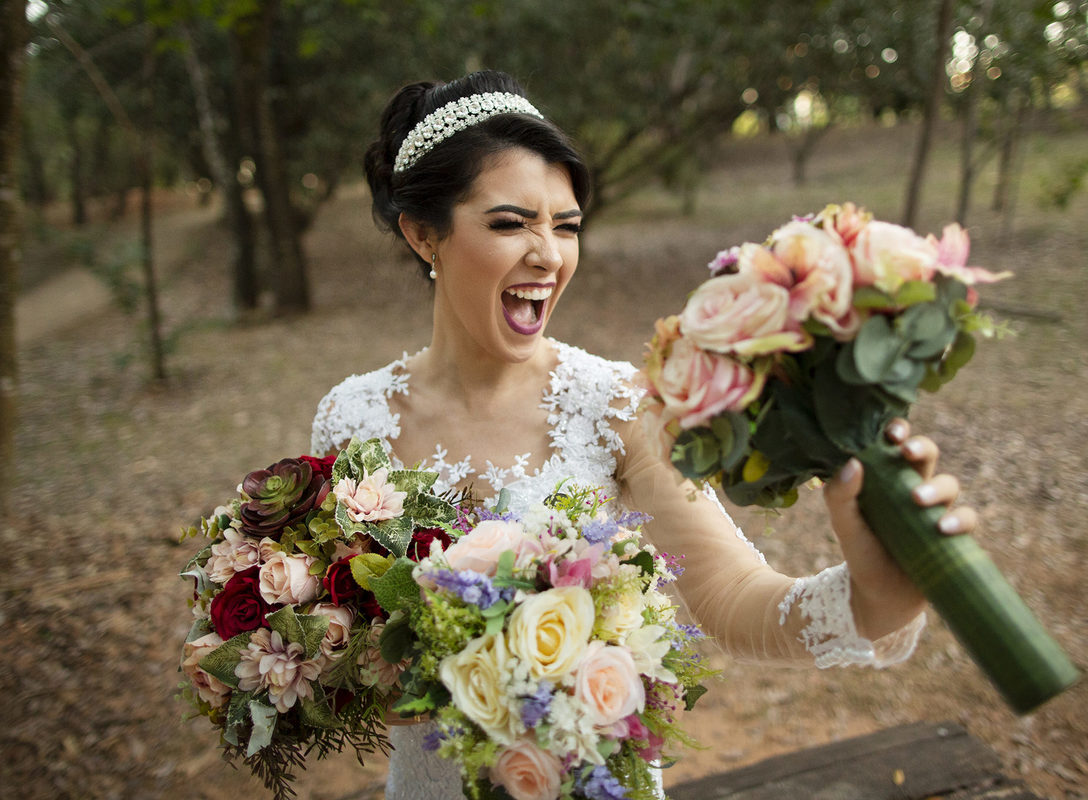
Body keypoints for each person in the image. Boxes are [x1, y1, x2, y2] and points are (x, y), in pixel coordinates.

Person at [310, 70, 976, 800]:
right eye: (510, 223)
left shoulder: (615, 402)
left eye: (565, 226)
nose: (548, 255)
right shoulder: (353, 419)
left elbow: (735, 600)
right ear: (422, 233)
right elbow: (347, 651)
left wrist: (873, 595)